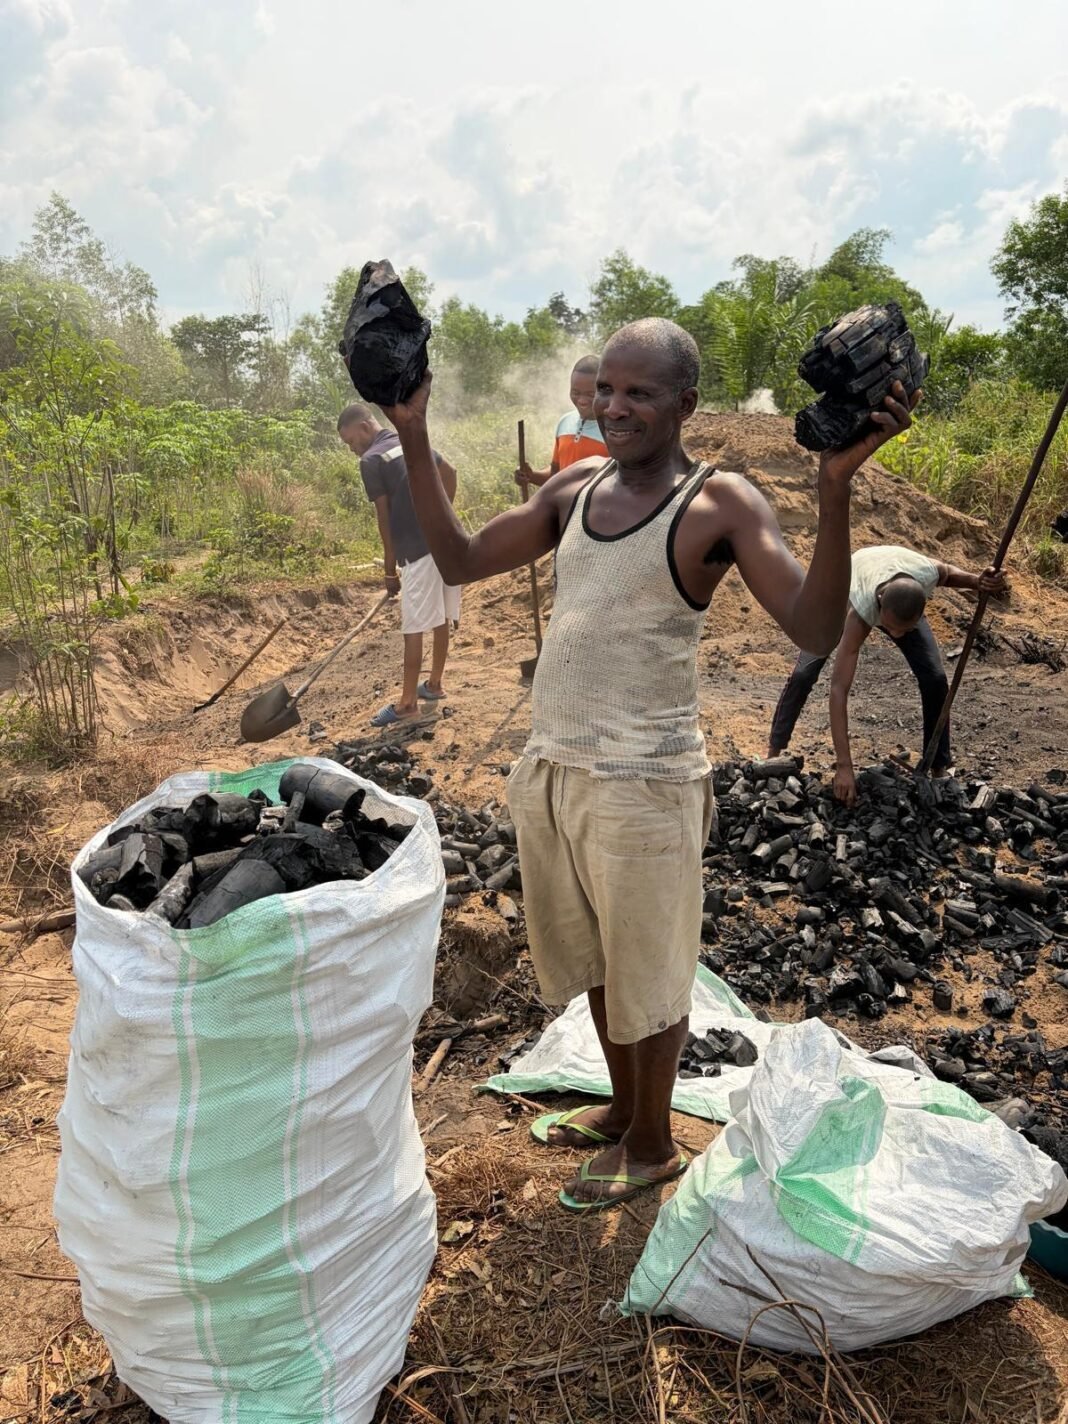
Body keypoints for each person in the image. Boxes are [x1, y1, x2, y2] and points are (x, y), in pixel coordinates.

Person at [381, 318, 917, 1212]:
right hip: (555, 767)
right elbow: (464, 559)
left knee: (650, 971)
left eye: (640, 393)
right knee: (595, 962)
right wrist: (411, 432)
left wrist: (834, 490)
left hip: (646, 778)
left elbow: (816, 630)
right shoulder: (574, 487)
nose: (615, 406)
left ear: (684, 404)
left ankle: (655, 1142)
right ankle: (627, 1111)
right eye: (606, 389)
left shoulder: (721, 504)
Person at [767, 545, 1008, 805]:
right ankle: (773, 753)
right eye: (891, 628)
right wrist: (844, 766)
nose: (895, 636)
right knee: (805, 672)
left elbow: (947, 573)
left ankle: (939, 766)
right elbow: (839, 689)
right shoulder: (862, 608)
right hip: (850, 583)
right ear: (880, 604)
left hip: (899, 583)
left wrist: (978, 581)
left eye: (904, 630)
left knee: (935, 679)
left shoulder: (925, 575)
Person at [337, 402, 461, 727]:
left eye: (352, 442)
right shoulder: (406, 439)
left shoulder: (372, 460)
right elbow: (451, 472)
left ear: (365, 427)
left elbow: (383, 518)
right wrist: (442, 516)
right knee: (440, 615)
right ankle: (433, 685)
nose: (353, 450)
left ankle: (407, 704)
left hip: (417, 551)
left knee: (414, 625)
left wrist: (390, 570)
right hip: (446, 543)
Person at [515, 354, 608, 488]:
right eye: (575, 392)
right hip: (563, 508)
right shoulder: (565, 422)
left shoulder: (613, 430)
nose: (582, 400)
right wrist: (530, 476)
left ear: (604, 391)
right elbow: (555, 476)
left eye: (590, 394)